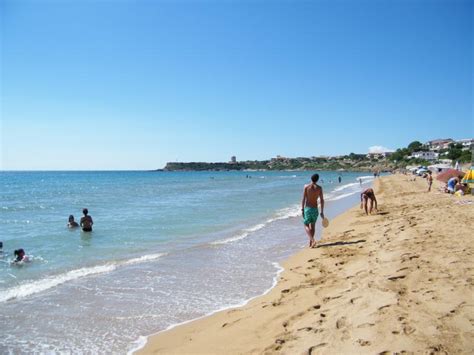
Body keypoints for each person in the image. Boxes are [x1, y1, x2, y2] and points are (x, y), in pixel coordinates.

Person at [301, 174, 325, 248]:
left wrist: (302, 209)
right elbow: (322, 200)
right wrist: (322, 211)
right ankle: (311, 243)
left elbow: (304, 199)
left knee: (305, 225)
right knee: (313, 226)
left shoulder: (306, 187)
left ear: (311, 178)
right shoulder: (319, 188)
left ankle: (313, 240)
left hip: (308, 209)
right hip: (315, 209)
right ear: (317, 180)